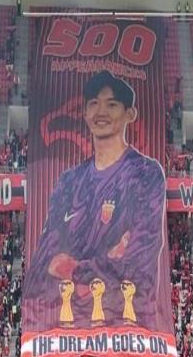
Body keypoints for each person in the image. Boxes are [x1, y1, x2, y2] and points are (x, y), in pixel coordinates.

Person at [23, 70, 168, 333]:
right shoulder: (69, 181)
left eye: (111, 104)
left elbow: (138, 260)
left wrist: (74, 269)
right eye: (94, 104)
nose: (101, 112)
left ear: (129, 114)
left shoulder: (146, 174)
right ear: (85, 113)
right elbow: (43, 264)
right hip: (66, 325)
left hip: (124, 324)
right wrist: (106, 260)